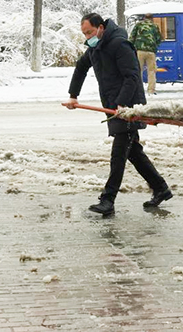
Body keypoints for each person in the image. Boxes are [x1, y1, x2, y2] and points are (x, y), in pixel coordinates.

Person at [64, 13, 173, 216]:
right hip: (115, 106)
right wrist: (73, 95)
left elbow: (132, 76)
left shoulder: (119, 44)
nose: (87, 37)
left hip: (129, 108)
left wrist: (122, 105)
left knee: (119, 154)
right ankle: (161, 188)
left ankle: (108, 200)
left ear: (100, 28)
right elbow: (80, 68)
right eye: (84, 34)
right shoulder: (95, 47)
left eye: (89, 32)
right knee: (133, 153)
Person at [129, 13, 162, 95]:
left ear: (144, 18)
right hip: (151, 52)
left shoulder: (138, 25)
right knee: (151, 71)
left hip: (139, 51)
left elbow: (132, 37)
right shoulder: (155, 26)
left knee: (138, 71)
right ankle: (151, 90)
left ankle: (138, 90)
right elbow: (159, 39)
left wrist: (131, 48)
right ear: (152, 19)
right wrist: (154, 48)